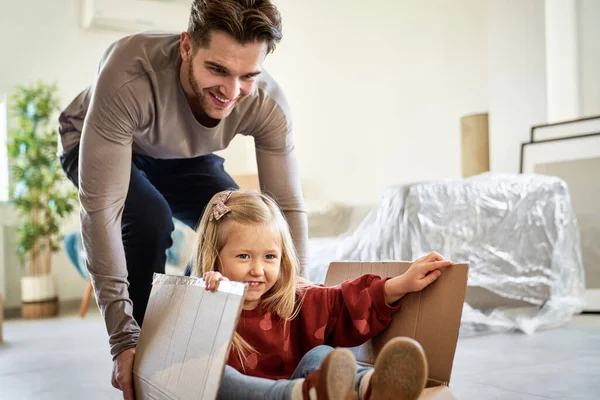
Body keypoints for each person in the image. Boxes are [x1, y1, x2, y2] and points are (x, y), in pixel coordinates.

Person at [57, 1, 307, 398]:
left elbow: (286, 208)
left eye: (248, 76)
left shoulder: (266, 102)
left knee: (235, 218)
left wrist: (297, 306)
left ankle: (197, 335)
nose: (230, 91)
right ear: (187, 47)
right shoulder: (129, 73)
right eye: (218, 70)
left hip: (179, 153)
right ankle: (146, 354)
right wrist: (122, 340)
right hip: (98, 138)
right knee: (151, 217)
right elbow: (102, 212)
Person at [193, 190, 454, 400]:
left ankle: (371, 386)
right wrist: (212, 299)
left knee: (321, 355)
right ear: (214, 258)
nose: (258, 270)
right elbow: (181, 354)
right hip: (279, 394)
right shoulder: (208, 300)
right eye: (243, 256)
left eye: (270, 257)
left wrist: (401, 285)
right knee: (213, 375)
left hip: (309, 391)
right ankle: (301, 393)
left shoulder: (293, 300)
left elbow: (344, 302)